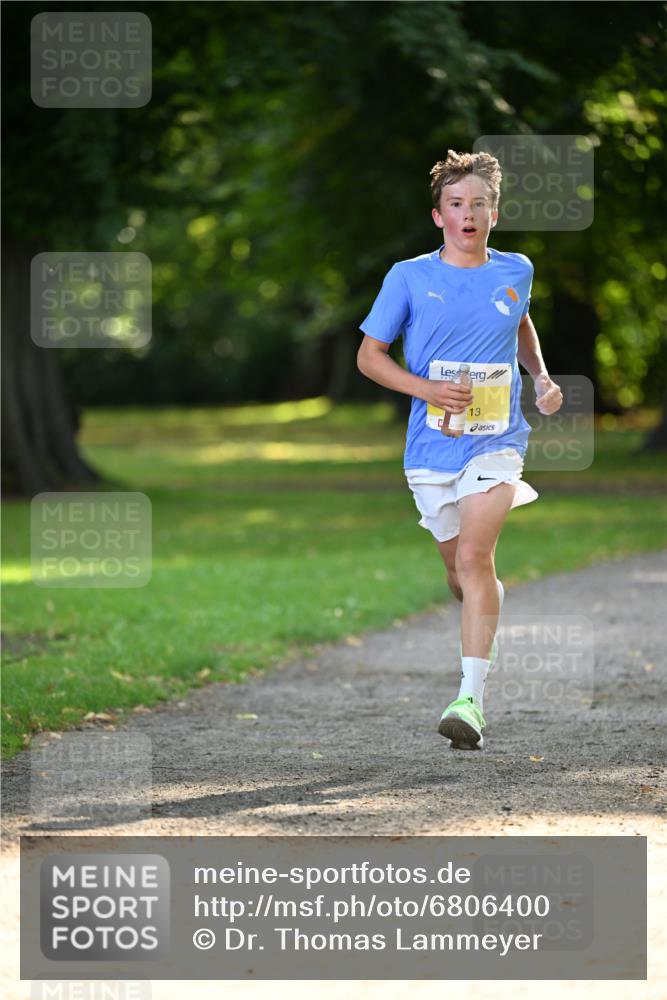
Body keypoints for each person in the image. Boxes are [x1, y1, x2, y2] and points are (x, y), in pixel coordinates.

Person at [357, 149, 563, 751]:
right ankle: (481, 606)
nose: (467, 213)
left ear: (493, 215)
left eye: (478, 204)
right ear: (438, 215)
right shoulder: (409, 277)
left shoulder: (517, 269)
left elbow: (519, 323)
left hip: (497, 440)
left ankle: (469, 699)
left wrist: (542, 379)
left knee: (475, 557)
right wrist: (427, 390)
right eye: (456, 204)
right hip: (431, 448)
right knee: (459, 570)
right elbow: (369, 357)